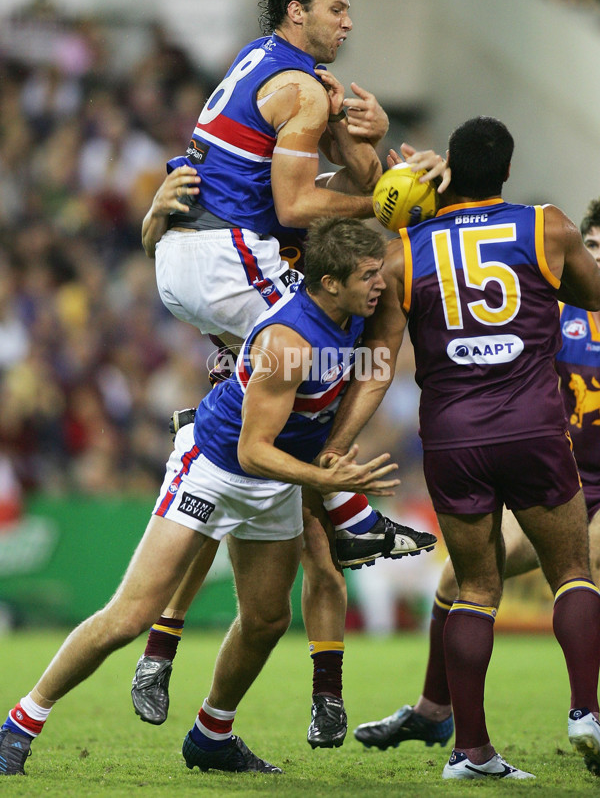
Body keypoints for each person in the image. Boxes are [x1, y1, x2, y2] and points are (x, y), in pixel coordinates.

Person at [133, 0, 439, 749]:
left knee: (252, 447)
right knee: (335, 360)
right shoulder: (301, 88)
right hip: (229, 261)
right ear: (297, 13)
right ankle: (344, 506)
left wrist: (370, 149)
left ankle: (171, 645)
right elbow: (307, 206)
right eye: (336, 8)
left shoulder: (275, 76)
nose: (348, 21)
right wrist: (384, 193)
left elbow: (333, 190)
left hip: (196, 265)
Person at [0, 218, 406, 777]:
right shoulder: (289, 342)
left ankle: (211, 735)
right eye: (368, 276)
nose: (380, 286)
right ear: (330, 283)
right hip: (215, 468)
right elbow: (252, 452)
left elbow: (376, 362)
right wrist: (328, 481)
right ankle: (20, 723)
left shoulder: (350, 316)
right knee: (128, 617)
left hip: (277, 483)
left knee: (266, 621)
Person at [321, 117, 600, 779]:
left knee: (474, 585)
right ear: (507, 171)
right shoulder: (544, 227)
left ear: (446, 170)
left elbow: (379, 363)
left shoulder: (405, 255)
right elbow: (590, 296)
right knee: (573, 572)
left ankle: (471, 752)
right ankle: (586, 712)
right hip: (536, 428)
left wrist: (337, 441)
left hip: (453, 437)